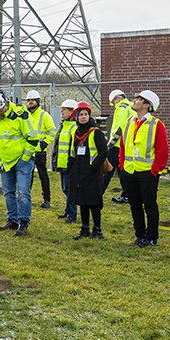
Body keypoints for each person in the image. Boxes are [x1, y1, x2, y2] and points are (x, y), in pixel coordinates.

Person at [117, 90, 168, 247]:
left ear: (147, 105)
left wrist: (154, 171)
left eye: (139, 99)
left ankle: (152, 237)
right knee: (135, 205)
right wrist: (122, 167)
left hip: (147, 173)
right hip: (129, 172)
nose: (135, 100)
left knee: (150, 205)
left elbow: (162, 150)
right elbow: (123, 147)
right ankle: (139, 235)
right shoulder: (128, 123)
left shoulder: (156, 125)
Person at [0, 90, 37, 235]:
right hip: (4, 161)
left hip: (22, 161)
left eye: (0, 110)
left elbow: (33, 139)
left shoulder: (21, 115)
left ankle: (23, 222)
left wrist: (25, 158)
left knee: (23, 192)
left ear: (5, 104)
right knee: (8, 192)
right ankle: (12, 220)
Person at [64, 102, 112, 239]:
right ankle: (84, 228)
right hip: (78, 171)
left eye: (85, 114)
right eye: (81, 115)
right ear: (76, 117)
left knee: (94, 202)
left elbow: (103, 152)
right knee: (82, 201)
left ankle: (97, 229)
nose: (83, 117)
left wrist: (92, 169)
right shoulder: (75, 132)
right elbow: (72, 151)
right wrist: (70, 168)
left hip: (92, 171)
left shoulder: (95, 132)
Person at [25, 91, 56, 210]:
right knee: (28, 176)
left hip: (39, 151)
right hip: (27, 151)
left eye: (32, 100)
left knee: (43, 175)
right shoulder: (25, 115)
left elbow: (52, 131)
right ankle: (26, 198)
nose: (30, 102)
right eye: (28, 100)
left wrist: (44, 143)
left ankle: (47, 199)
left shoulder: (44, 115)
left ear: (38, 102)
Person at [54, 98, 80, 223]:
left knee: (70, 189)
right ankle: (68, 211)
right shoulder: (64, 125)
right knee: (66, 189)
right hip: (63, 162)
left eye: (64, 110)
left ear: (72, 111)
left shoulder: (74, 127)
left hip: (70, 164)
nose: (62, 112)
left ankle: (72, 214)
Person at [108, 89, 134, 203]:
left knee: (107, 169)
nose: (114, 105)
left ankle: (98, 192)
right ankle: (127, 194)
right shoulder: (131, 108)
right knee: (123, 172)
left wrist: (111, 144)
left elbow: (119, 127)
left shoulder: (121, 108)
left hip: (117, 145)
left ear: (116, 99)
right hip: (127, 145)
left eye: (113, 102)